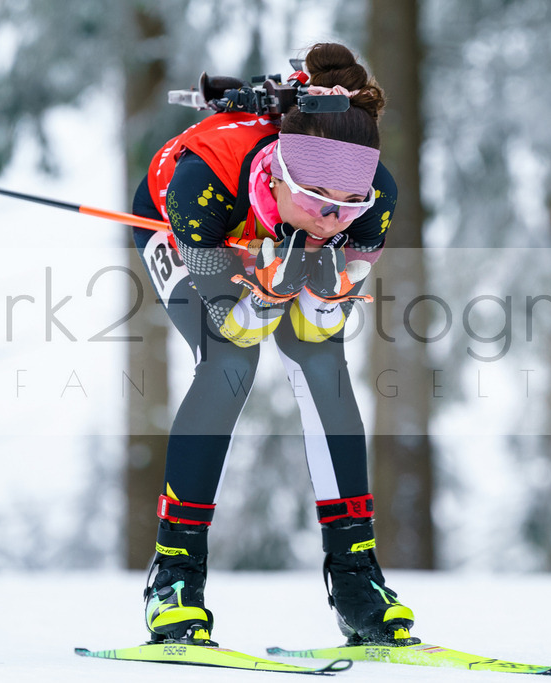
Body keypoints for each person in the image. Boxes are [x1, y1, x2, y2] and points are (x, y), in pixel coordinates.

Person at [128, 43, 414, 647]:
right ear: (279, 170)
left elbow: (316, 325)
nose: (329, 218)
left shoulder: (375, 199)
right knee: (230, 363)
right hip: (184, 224)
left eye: (345, 207)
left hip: (266, 240)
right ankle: (174, 578)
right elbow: (235, 326)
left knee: (322, 364)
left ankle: (356, 578)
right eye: (314, 200)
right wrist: (262, 294)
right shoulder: (201, 180)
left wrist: (305, 281)